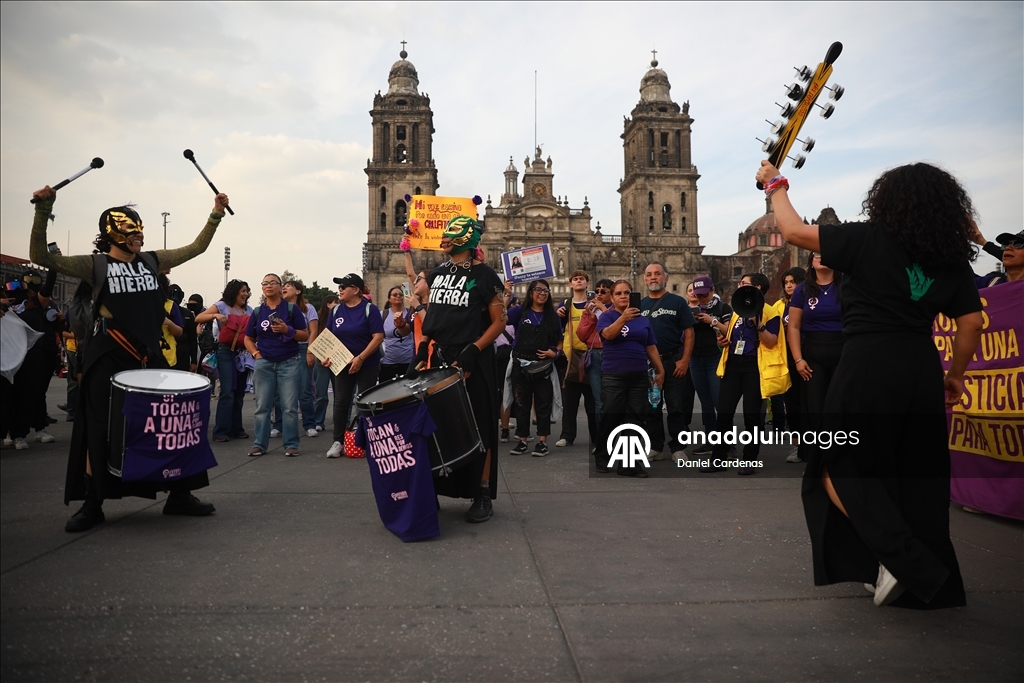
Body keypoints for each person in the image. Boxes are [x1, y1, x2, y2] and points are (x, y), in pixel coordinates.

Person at [755, 159, 983, 609]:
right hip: (921, 364)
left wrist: (775, 184)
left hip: (868, 364)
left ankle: (904, 561)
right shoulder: (949, 256)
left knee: (833, 464)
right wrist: (954, 375)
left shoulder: (868, 238)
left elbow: (797, 232)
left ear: (887, 200)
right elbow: (971, 323)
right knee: (917, 474)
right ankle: (930, 583)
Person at [30, 185, 229, 532]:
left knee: (170, 425)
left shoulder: (152, 260)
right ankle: (93, 503)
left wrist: (215, 214)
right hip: (106, 354)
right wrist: (43, 211)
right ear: (112, 233)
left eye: (140, 229)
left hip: (147, 356)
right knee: (99, 429)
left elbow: (196, 248)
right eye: (131, 230)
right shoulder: (95, 265)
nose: (138, 235)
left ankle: (180, 493)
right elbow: (42, 256)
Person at [410, 215, 505, 522]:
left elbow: (499, 322)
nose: (443, 238)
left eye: (451, 233)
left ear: (466, 237)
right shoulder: (437, 274)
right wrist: (424, 345)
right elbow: (434, 318)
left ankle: (481, 492)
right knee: (440, 425)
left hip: (474, 360)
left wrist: (473, 350)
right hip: (441, 359)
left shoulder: (485, 275)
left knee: (480, 426)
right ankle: (434, 488)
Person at [701, 273, 785, 476]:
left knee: (752, 415)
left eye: (744, 283)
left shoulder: (769, 311)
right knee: (724, 412)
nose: (740, 286)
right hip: (733, 364)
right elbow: (730, 334)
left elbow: (772, 341)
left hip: (755, 366)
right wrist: (723, 340)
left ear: (756, 287)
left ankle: (749, 459)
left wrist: (759, 325)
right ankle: (719, 457)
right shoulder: (738, 309)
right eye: (740, 283)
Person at [596, 279, 665, 477]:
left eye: (627, 293)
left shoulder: (643, 320)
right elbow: (608, 335)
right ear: (612, 296)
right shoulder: (607, 317)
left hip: (638, 375)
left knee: (634, 419)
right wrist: (623, 318)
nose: (623, 296)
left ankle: (629, 464)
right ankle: (603, 457)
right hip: (614, 375)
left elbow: (650, 346)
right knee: (611, 416)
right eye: (618, 293)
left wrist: (661, 370)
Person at [243, 274, 309, 457]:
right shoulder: (257, 312)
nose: (269, 286)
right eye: (265, 283)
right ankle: (259, 444)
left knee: (289, 406)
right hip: (264, 363)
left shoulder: (291, 309)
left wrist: (287, 330)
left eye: (273, 282)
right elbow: (248, 338)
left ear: (280, 287)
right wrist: (256, 354)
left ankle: (290, 444)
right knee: (262, 406)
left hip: (289, 362)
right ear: (262, 288)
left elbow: (305, 335)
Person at [788, 254, 844, 464]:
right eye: (817, 255)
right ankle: (817, 461)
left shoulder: (846, 286)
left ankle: (840, 459)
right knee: (815, 408)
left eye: (827, 253)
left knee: (839, 406)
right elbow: (793, 327)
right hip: (813, 354)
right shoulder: (803, 289)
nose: (822, 258)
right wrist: (798, 359)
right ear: (811, 260)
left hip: (842, 351)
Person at [323, 273, 385, 458]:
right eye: (339, 286)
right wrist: (325, 357)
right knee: (341, 402)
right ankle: (338, 441)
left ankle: (366, 441)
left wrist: (361, 358)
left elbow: (378, 337)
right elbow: (328, 338)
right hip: (342, 364)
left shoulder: (369, 309)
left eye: (344, 286)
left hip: (367, 363)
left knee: (365, 403)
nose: (340, 290)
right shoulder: (335, 311)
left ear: (356, 290)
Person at [640, 263, 695, 461]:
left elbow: (689, 333)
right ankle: (656, 446)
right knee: (651, 406)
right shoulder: (640, 305)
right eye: (649, 275)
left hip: (673, 362)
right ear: (645, 279)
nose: (653, 277)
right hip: (649, 366)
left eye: (657, 274)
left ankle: (678, 448)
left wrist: (685, 360)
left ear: (666, 278)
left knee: (675, 406)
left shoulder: (677, 302)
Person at [506, 279, 562, 457]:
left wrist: (555, 353)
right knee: (521, 404)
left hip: (543, 368)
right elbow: (501, 317)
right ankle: (522, 440)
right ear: (531, 293)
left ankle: (542, 442)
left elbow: (559, 341)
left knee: (542, 405)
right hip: (520, 365)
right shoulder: (519, 312)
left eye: (546, 290)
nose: (542, 293)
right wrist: (506, 294)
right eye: (538, 290)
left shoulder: (552, 316)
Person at [9, 270, 62, 449]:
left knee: (32, 394)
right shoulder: (6, 307)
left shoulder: (35, 305)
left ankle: (23, 433)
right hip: (10, 356)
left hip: (34, 355)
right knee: (10, 395)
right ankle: (9, 431)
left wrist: (53, 265)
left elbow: (47, 288)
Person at [196, 280, 252, 443]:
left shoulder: (248, 310)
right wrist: (215, 315)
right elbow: (199, 317)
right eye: (243, 291)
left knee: (240, 392)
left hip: (243, 353)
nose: (246, 294)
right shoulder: (221, 305)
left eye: (247, 291)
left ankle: (236, 428)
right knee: (228, 390)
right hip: (225, 351)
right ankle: (221, 430)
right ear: (234, 291)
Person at [688, 275, 733, 458]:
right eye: (698, 295)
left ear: (712, 290)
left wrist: (711, 321)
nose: (701, 299)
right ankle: (710, 440)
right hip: (696, 359)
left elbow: (729, 332)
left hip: (715, 358)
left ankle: (728, 445)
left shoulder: (723, 307)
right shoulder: (690, 309)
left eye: (704, 295)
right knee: (705, 403)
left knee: (719, 402)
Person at [554, 271, 598, 449]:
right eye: (575, 279)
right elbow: (557, 329)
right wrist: (558, 316)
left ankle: (596, 437)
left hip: (590, 355)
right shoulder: (565, 305)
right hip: (570, 357)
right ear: (570, 284)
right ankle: (567, 435)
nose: (578, 281)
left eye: (582, 279)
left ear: (588, 283)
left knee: (592, 401)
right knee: (569, 400)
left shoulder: (594, 304)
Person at [271, 280, 319, 438]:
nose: (284, 288)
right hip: (283, 349)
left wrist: (310, 352)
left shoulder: (308, 308)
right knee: (279, 391)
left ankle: (309, 424)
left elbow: (313, 332)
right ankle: (278, 425)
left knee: (304, 389)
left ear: (298, 291)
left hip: (303, 348)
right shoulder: (278, 308)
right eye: (283, 286)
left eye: (289, 286)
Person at [773, 267, 806, 461]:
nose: (789, 286)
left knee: (810, 404)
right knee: (792, 406)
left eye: (793, 282)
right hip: (787, 361)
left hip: (807, 358)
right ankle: (797, 447)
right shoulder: (779, 305)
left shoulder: (810, 302)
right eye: (786, 283)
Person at [576, 278, 614, 429]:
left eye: (603, 291)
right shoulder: (591, 310)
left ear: (611, 294)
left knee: (613, 399)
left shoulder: (616, 309)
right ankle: (602, 439)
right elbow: (581, 335)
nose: (599, 294)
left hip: (611, 355)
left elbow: (617, 329)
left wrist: (604, 310)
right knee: (599, 400)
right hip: (595, 355)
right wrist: (590, 318)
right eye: (596, 291)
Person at [312, 294, 340, 432]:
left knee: (339, 394)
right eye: (335, 302)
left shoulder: (341, 316)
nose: (337, 305)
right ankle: (318, 421)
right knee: (321, 394)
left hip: (338, 360)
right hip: (321, 360)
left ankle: (340, 421)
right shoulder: (318, 319)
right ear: (328, 304)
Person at [378, 286, 415, 384]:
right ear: (389, 299)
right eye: (394, 295)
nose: (398, 296)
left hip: (408, 360)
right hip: (388, 361)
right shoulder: (383, 315)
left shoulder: (411, 313)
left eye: (401, 294)